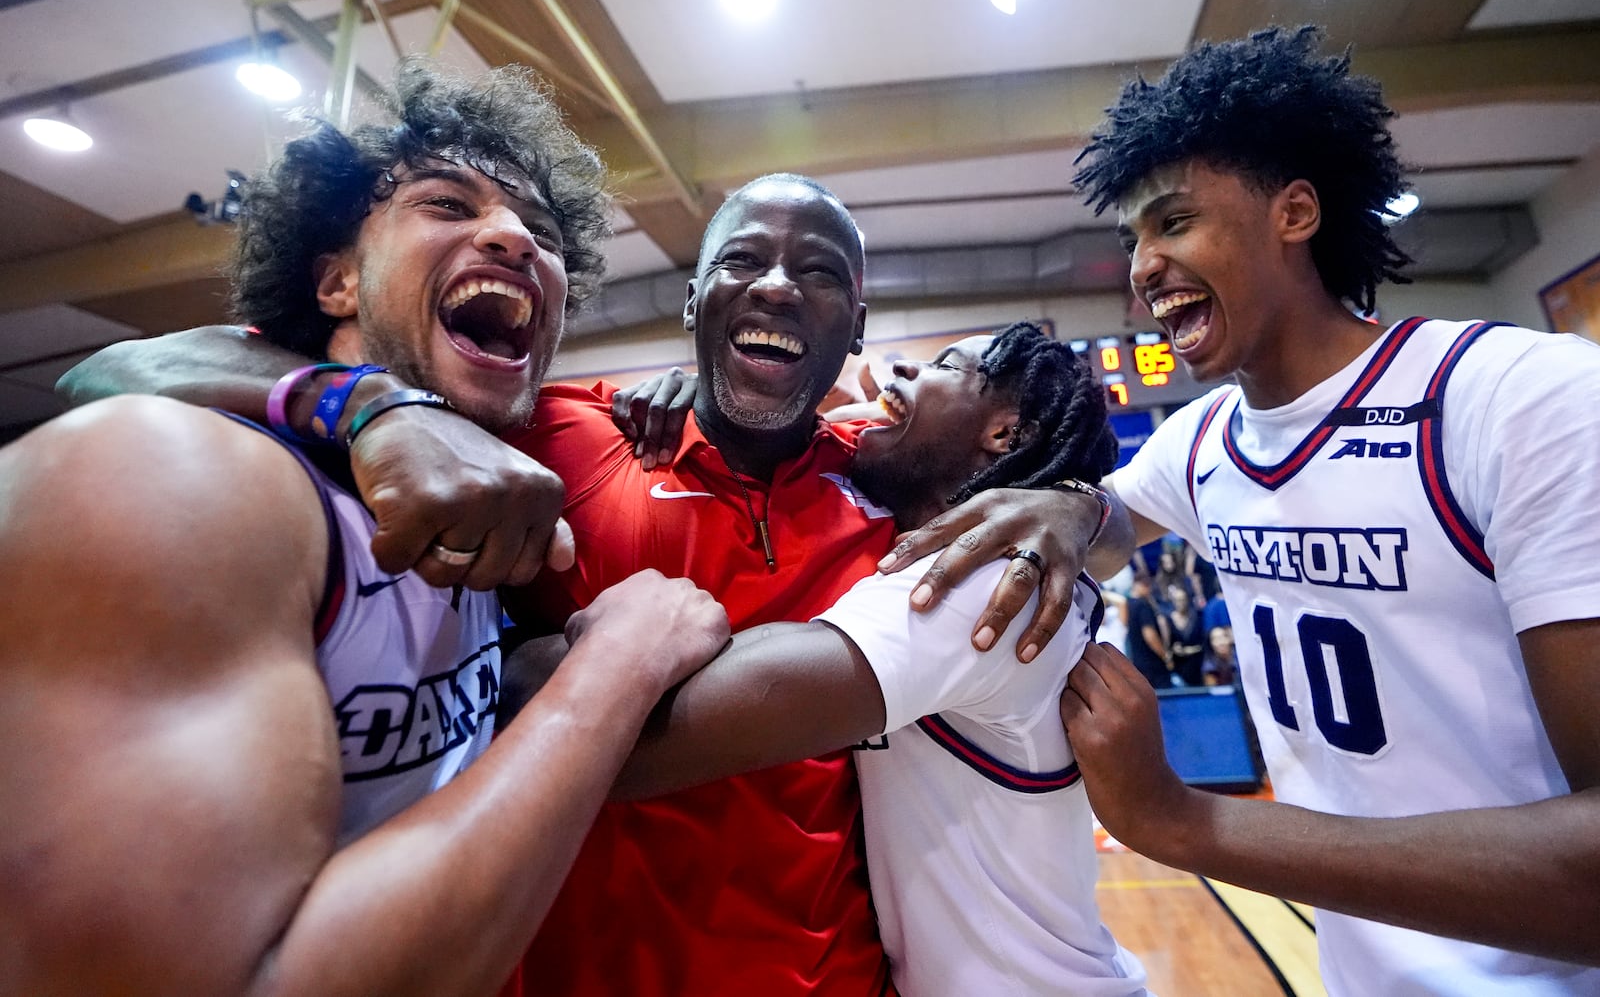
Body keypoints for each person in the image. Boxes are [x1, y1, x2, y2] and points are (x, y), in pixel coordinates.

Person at [61, 173, 1124, 996]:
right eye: (742, 258)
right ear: (699, 297)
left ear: (851, 323)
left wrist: (1074, 501)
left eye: (820, 273)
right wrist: (370, 405)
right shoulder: (559, 434)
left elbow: (1080, 494)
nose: (775, 284)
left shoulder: (889, 488)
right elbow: (117, 369)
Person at [0, 60, 732, 994]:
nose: (512, 237)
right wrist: (616, 667)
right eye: (446, 205)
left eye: (541, 232)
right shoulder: (177, 475)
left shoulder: (486, 488)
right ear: (338, 282)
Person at [1056, 25, 1600, 993]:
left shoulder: (1522, 396)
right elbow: (1100, 524)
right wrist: (1050, 516)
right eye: (1132, 237)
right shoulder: (1205, 436)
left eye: (1173, 222)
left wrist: (1182, 818)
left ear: (1294, 212)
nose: (1141, 266)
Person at [507, 323, 1146, 996]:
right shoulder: (1002, 553)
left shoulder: (980, 592)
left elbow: (625, 745)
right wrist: (714, 403)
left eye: (941, 366)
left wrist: (504, 656)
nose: (885, 379)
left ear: (1004, 435)